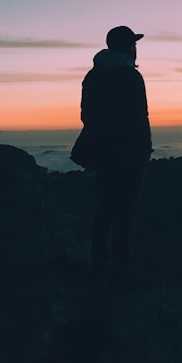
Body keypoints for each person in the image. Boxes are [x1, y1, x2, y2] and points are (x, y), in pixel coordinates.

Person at [71, 26, 152, 285]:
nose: (136, 49)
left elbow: (86, 115)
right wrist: (143, 150)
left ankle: (98, 265)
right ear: (128, 47)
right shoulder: (130, 77)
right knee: (125, 212)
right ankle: (120, 272)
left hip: (102, 152)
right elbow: (140, 118)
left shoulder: (93, 76)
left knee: (105, 208)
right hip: (129, 153)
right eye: (133, 44)